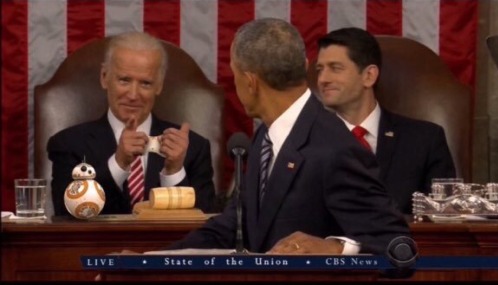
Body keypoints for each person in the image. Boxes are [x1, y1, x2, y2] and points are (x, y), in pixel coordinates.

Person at [167, 18, 410, 255]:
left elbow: (398, 245)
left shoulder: (334, 149)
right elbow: (232, 224)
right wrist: (151, 258)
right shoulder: (265, 136)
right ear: (304, 66)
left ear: (251, 82)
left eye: (235, 74)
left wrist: (334, 248)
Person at [47, 31, 217, 215]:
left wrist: (173, 171)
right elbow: (67, 215)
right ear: (104, 77)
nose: (133, 95)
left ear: (159, 86)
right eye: (124, 80)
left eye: (145, 83)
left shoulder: (194, 147)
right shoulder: (69, 145)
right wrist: (118, 164)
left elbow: (207, 225)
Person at [315, 27, 456, 214]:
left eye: (335, 68)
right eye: (320, 69)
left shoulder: (425, 140)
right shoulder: (306, 140)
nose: (323, 79)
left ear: (369, 76)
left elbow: (442, 223)